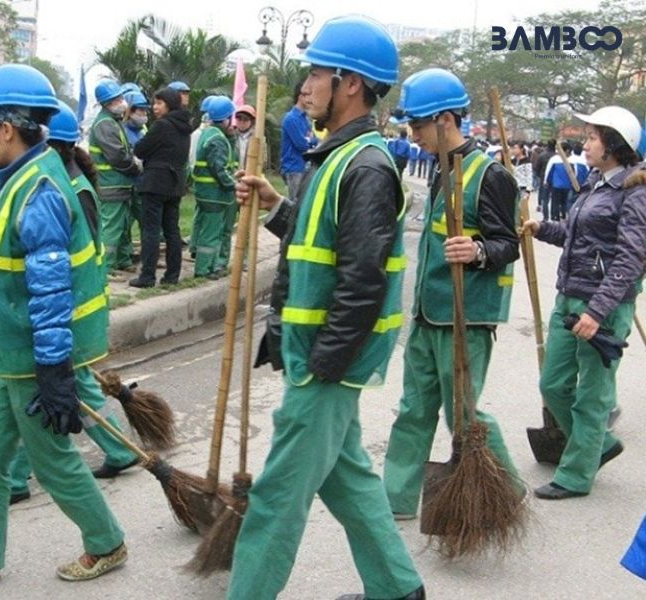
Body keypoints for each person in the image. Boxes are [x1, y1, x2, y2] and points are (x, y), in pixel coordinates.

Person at [227, 16, 424, 600]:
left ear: (352, 84)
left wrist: (326, 366)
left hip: (327, 361)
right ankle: (397, 587)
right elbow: (323, 246)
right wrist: (273, 203)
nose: (305, 85)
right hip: (319, 355)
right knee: (349, 479)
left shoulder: (364, 165)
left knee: (276, 499)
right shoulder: (333, 158)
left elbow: (361, 280)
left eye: (317, 72)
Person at [0, 64, 127, 585]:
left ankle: (107, 543)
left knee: (53, 462)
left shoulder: (37, 192)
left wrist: (54, 369)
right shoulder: (17, 181)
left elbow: (51, 288)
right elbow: (8, 274)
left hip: (34, 362)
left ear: (6, 129)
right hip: (14, 358)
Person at [383, 67, 523, 521]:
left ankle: (508, 487)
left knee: (464, 415)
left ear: (445, 119)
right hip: (428, 314)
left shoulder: (491, 176)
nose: (413, 135)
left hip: (466, 317)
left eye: (418, 125)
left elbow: (509, 244)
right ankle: (396, 500)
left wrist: (479, 249)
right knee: (413, 409)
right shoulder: (441, 171)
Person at [6, 101, 139, 504]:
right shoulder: (68, 183)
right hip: (73, 309)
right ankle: (16, 475)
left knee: (62, 387)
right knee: (63, 389)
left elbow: (62, 263)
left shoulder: (69, 192)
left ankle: (16, 477)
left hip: (73, 310)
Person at [522, 106, 646, 500]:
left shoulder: (635, 191)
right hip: (569, 297)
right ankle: (599, 446)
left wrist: (598, 311)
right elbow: (580, 238)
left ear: (613, 145)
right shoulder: (595, 183)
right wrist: (543, 228)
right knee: (553, 383)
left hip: (603, 308)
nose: (585, 143)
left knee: (592, 395)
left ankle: (576, 476)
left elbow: (630, 258)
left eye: (593, 137)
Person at [130, 87, 193, 287]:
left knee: (150, 230)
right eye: (154, 103)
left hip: (155, 182)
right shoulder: (185, 127)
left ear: (169, 104)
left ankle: (147, 276)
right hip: (175, 184)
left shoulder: (162, 126)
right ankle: (172, 275)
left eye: (159, 103)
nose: (154, 107)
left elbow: (140, 149)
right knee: (172, 230)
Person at [88, 79, 141, 275]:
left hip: (120, 184)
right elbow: (117, 156)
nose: (122, 101)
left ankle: (123, 259)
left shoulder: (113, 122)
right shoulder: (105, 124)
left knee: (123, 225)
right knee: (111, 227)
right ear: (107, 103)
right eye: (117, 99)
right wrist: (135, 166)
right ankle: (107, 266)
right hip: (110, 184)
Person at [190, 95, 238, 280]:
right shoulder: (217, 139)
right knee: (211, 233)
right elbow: (219, 168)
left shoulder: (209, 133)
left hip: (205, 192)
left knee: (208, 230)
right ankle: (204, 269)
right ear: (226, 118)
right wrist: (234, 184)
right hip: (214, 194)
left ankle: (207, 266)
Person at [121, 91, 151, 264]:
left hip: (141, 184)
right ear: (130, 111)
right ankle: (124, 256)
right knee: (124, 224)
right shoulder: (123, 131)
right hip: (127, 183)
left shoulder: (142, 131)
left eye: (145, 111)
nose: (144, 115)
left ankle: (145, 257)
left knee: (146, 223)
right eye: (140, 111)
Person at [280, 80, 317, 202]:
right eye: (308, 95)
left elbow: (315, 141)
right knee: (295, 204)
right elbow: (301, 144)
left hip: (304, 167)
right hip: (293, 168)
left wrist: (310, 140)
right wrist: (310, 140)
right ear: (301, 96)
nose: (312, 99)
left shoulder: (305, 119)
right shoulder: (291, 119)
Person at [543, 141, 574, 221]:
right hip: (567, 185)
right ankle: (564, 215)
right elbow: (573, 173)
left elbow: (548, 171)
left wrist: (546, 181)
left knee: (555, 202)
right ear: (566, 151)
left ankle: (555, 216)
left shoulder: (554, 159)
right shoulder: (570, 161)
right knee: (564, 201)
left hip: (556, 185)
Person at [566, 141, 590, 213]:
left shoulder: (568, 160)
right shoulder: (585, 162)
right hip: (583, 185)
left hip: (571, 184)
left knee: (570, 201)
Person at [535, 139, 556, 215]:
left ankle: (541, 207)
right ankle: (554, 214)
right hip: (554, 179)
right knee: (553, 196)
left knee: (543, 195)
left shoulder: (542, 155)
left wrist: (539, 175)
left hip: (543, 177)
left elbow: (537, 167)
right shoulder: (557, 156)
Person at [234, 104, 257, 170]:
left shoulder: (257, 138)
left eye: (245, 120)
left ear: (252, 122)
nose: (242, 123)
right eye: (239, 119)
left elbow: (263, 159)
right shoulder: (231, 136)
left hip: (250, 174)